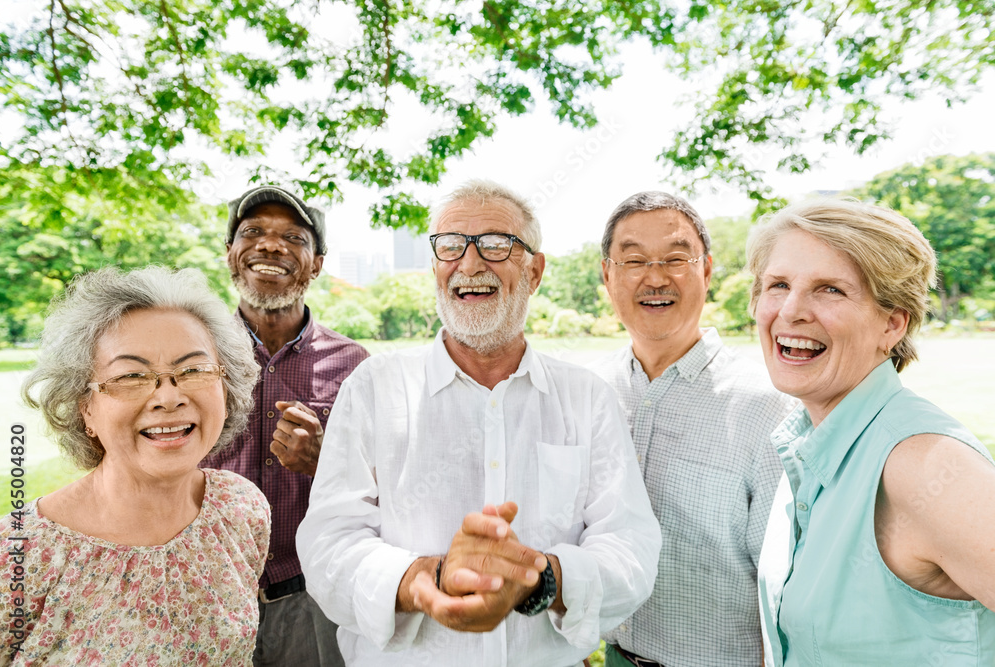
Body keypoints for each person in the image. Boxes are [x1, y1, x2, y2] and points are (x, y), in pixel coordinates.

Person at [297, 180, 661, 667]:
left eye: (496, 244)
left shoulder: (586, 397)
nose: (470, 264)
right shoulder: (374, 387)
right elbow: (328, 544)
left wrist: (540, 579)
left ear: (534, 271)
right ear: (434, 267)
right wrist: (426, 580)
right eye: (451, 246)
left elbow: (630, 546)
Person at [748, 199, 995, 665]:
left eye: (830, 290)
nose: (792, 310)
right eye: (778, 285)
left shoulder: (923, 463)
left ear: (892, 323)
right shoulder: (808, 445)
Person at [0, 266, 268, 665]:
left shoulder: (240, 508)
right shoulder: (17, 555)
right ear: (85, 407)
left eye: (193, 370)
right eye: (131, 376)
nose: (168, 397)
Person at [593, 191, 797, 667]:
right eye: (634, 260)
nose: (655, 277)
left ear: (706, 270)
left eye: (676, 258)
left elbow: (785, 582)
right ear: (607, 275)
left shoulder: (767, 404)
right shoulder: (590, 393)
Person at [203, 185, 370, 666]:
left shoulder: (355, 364)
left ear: (316, 263)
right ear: (230, 255)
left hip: (312, 596)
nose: (270, 246)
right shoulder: (192, 353)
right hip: (207, 589)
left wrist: (326, 460)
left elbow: (388, 490)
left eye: (292, 237)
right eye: (252, 232)